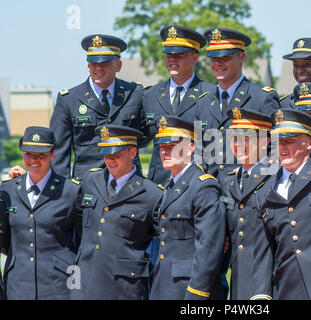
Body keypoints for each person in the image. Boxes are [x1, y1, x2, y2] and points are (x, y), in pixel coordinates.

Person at [251, 109, 311, 300]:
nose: (282, 147)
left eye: (290, 140)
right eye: (278, 142)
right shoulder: (264, 190)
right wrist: (261, 294)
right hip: (286, 287)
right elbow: (263, 250)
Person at [70, 125, 163, 300]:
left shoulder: (152, 194)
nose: (110, 161)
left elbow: (167, 241)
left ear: (133, 153)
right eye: (106, 155)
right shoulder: (90, 181)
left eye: (116, 155)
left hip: (125, 289)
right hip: (85, 285)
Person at [49, 34, 149, 181]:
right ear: (87, 65)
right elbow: (59, 153)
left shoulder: (135, 93)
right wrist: (61, 192)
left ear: (118, 65)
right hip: (87, 184)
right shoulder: (69, 99)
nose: (98, 68)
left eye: (105, 63)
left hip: (130, 182)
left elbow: (147, 133)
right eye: (93, 63)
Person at [149, 116, 226, 300]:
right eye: (162, 147)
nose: (164, 152)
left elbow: (208, 247)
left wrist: (197, 293)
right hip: (164, 284)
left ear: (190, 147)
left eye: (171, 147)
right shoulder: (170, 186)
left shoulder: (203, 187)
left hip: (189, 289)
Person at [0, 126, 80, 299]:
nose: (33, 160)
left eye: (41, 155)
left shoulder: (71, 191)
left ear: (53, 154)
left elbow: (81, 243)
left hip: (59, 285)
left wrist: (77, 287)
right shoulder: (8, 190)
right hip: (18, 285)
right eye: (28, 154)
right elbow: (5, 240)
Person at [196, 28, 280, 181]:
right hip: (209, 192)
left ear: (242, 57)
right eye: (214, 58)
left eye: (225, 58)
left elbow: (275, 149)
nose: (218, 64)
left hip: (246, 188)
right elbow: (197, 150)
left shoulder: (262, 98)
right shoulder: (203, 101)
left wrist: (250, 174)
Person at [144, 25, 216, 185]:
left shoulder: (212, 94)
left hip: (196, 184)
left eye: (179, 55)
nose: (172, 60)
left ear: (195, 58)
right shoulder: (150, 95)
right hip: (158, 184)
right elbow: (138, 140)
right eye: (169, 55)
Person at [219, 108, 273, 300]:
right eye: (234, 138)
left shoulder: (277, 177)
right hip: (238, 278)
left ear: (265, 141)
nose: (239, 144)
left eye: (246, 138)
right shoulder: (228, 181)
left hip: (270, 280)